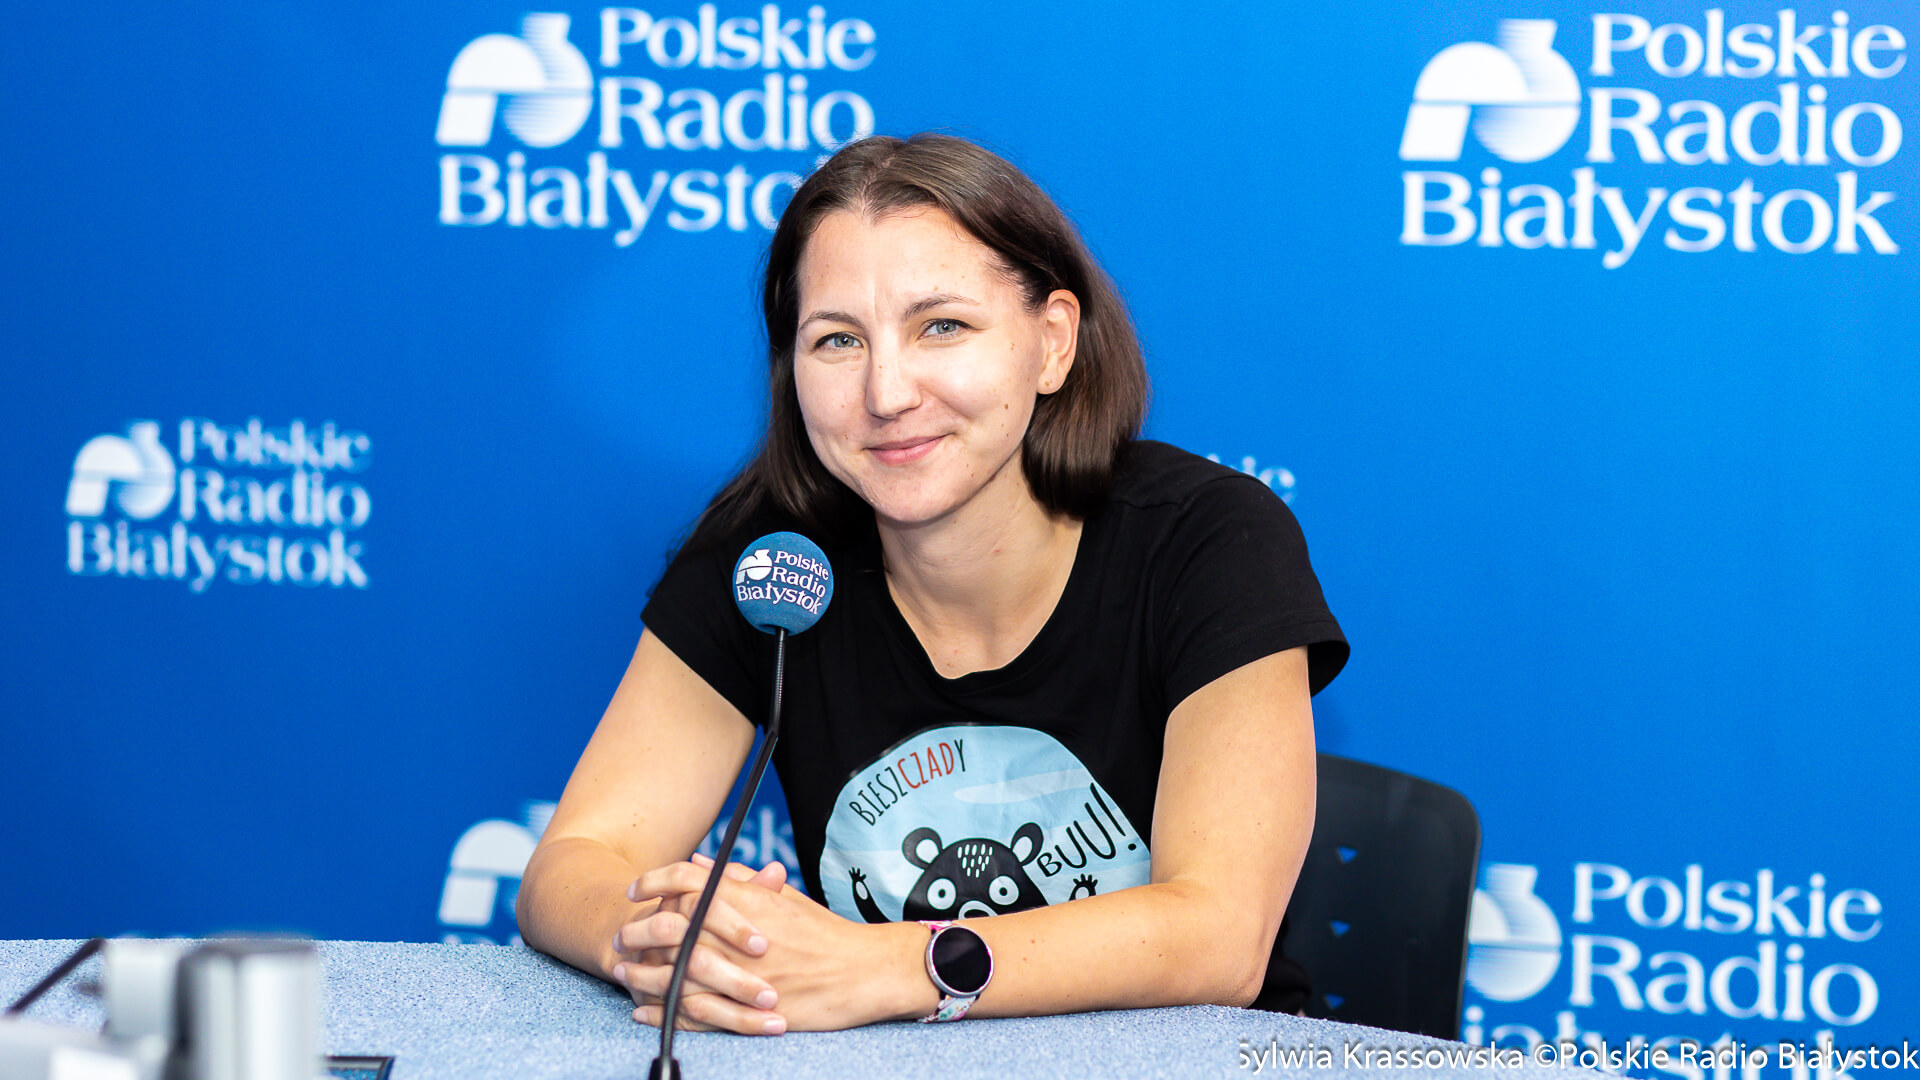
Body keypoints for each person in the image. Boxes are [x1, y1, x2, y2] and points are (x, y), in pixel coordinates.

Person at [516, 133, 1347, 1035]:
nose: (886, 392)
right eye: (837, 340)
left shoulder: (1209, 541)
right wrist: (669, 941)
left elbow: (1220, 938)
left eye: (941, 327)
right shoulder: (773, 561)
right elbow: (574, 863)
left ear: (1052, 343)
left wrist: (884, 967)